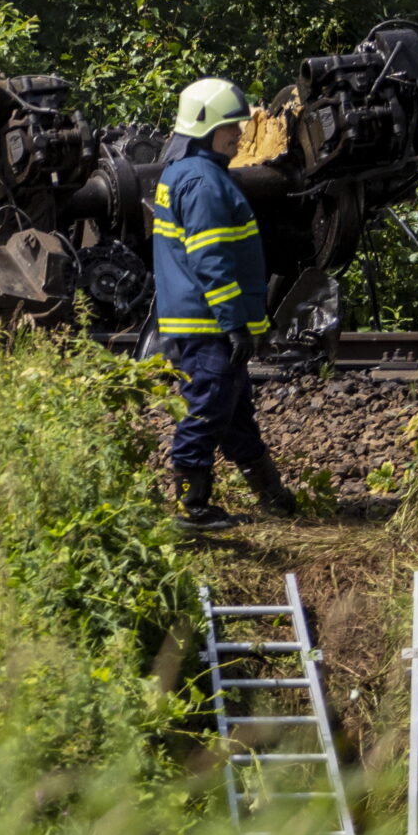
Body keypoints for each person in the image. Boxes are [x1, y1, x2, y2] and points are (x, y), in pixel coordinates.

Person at [151, 78, 298, 532]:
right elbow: (211, 261)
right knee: (209, 408)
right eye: (230, 127)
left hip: (204, 319)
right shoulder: (203, 180)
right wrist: (236, 323)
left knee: (233, 414)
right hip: (208, 322)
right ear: (205, 129)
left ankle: (273, 497)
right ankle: (191, 509)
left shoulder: (186, 172)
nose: (239, 134)